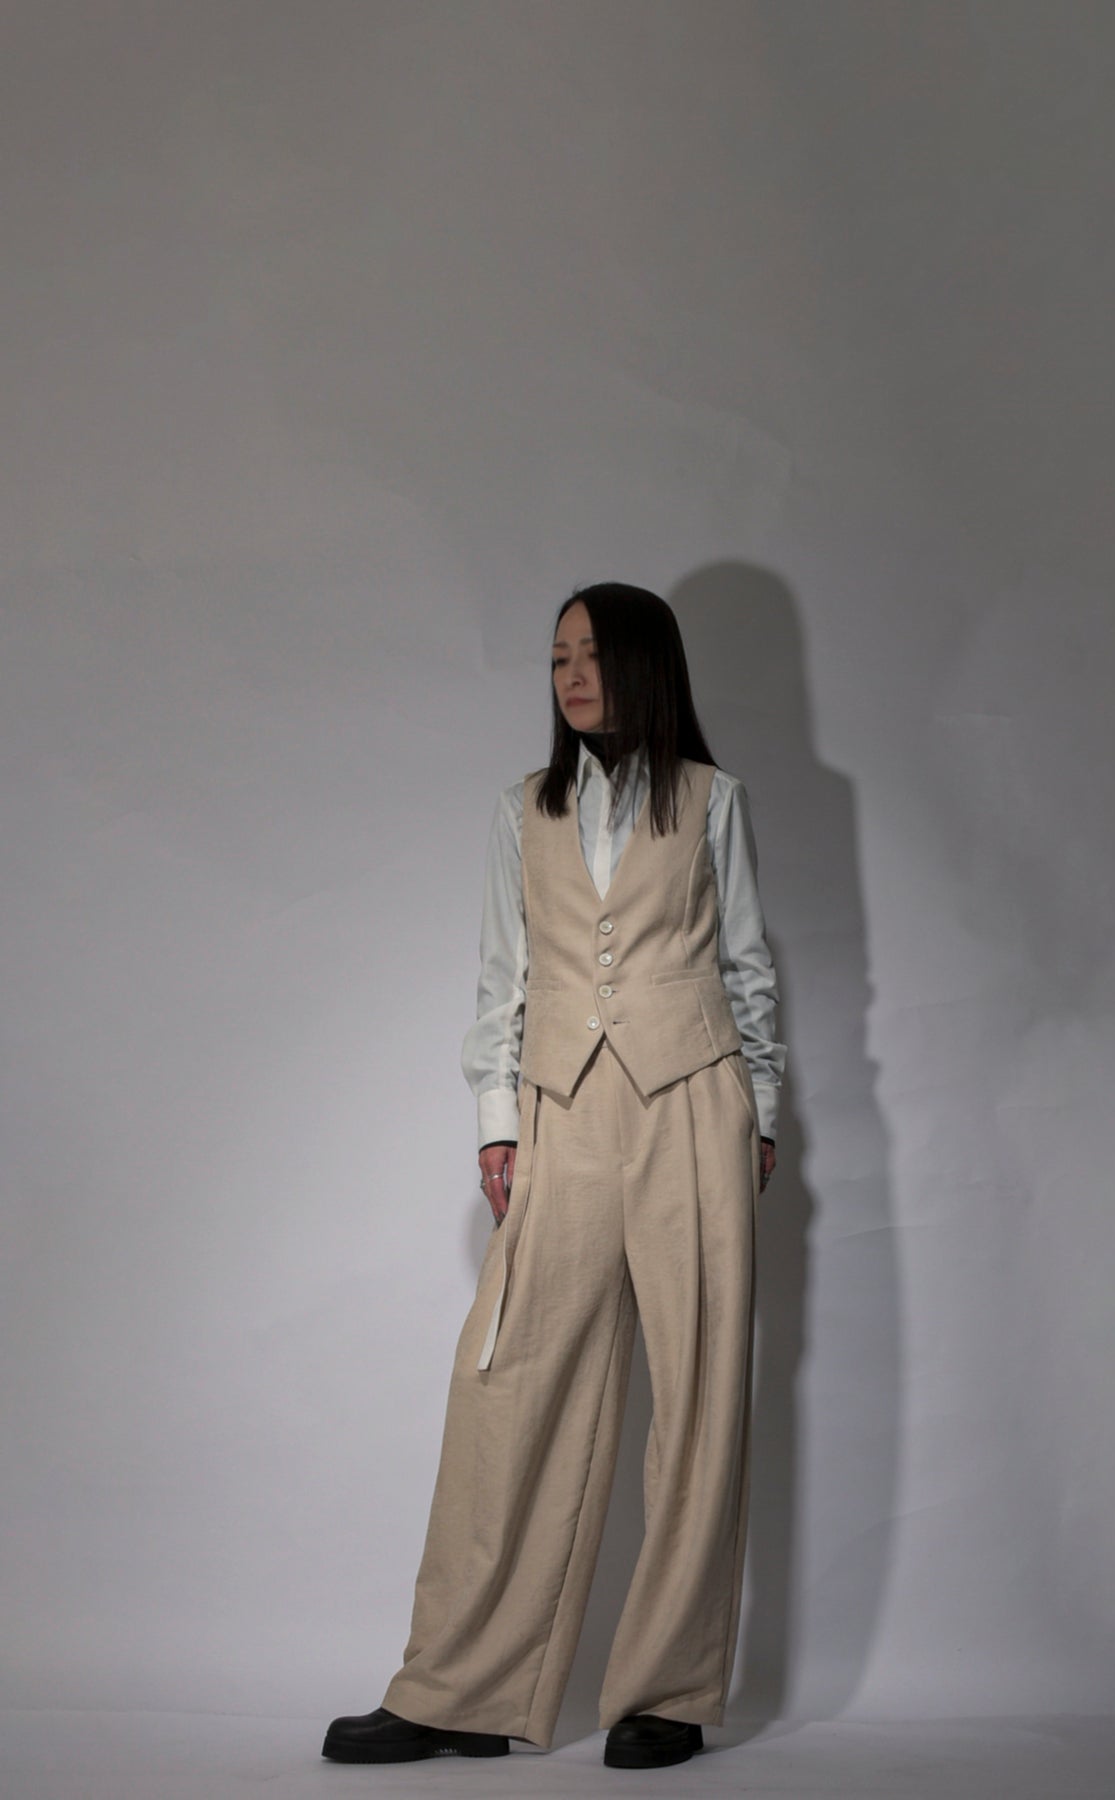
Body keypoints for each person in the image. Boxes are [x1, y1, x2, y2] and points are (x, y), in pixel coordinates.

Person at [322, 582, 785, 1771]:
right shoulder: (523, 809)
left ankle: (667, 1691)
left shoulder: (713, 801)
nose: (571, 676)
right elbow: (504, 975)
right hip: (560, 1111)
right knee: (507, 1385)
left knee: (698, 1400)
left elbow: (746, 969)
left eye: (591, 655)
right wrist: (497, 1122)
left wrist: (760, 1119)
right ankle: (461, 1689)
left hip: (694, 1107)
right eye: (556, 659)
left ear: (645, 667)